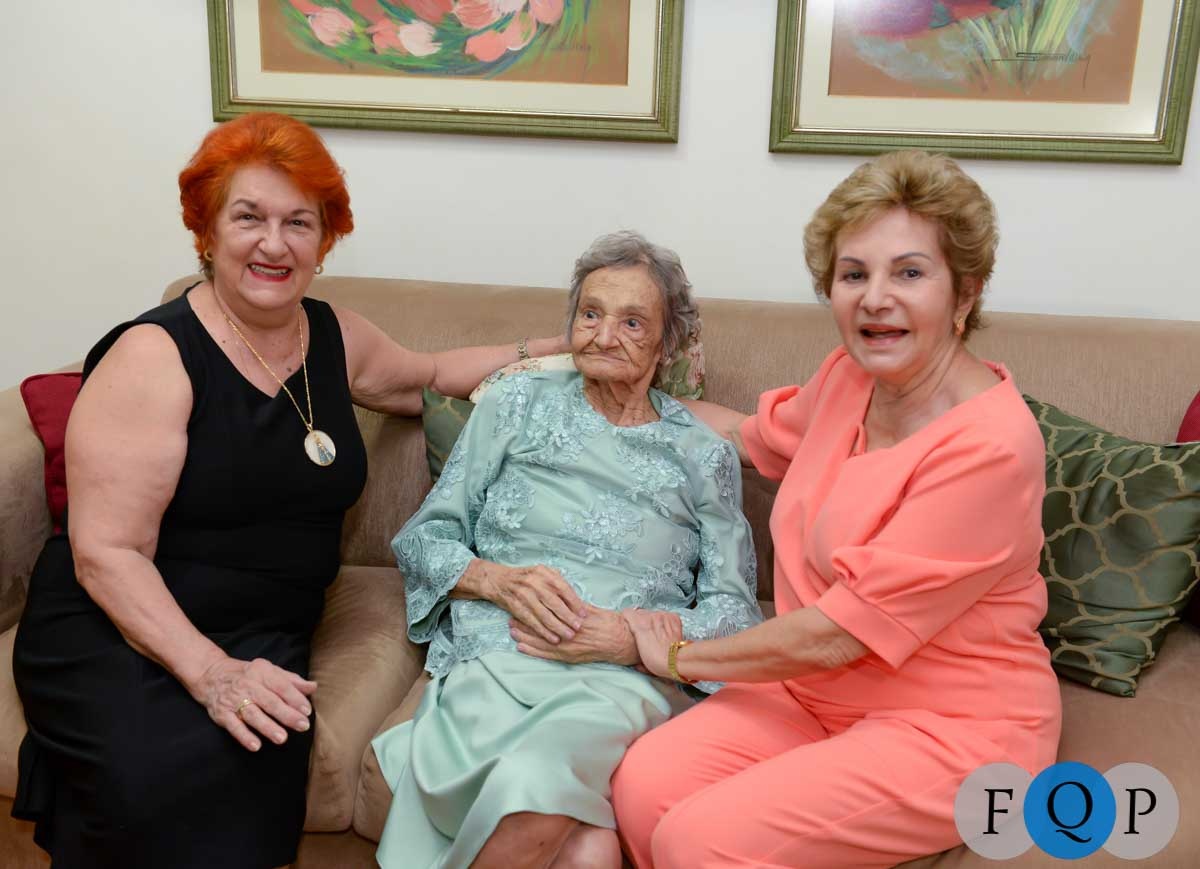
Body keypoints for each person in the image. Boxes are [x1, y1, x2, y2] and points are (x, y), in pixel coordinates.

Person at [11, 111, 567, 869]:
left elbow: (431, 377)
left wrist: (565, 347)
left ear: (324, 239)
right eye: (249, 217)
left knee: (256, 764)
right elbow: (106, 553)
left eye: (298, 222)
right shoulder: (153, 355)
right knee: (151, 783)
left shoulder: (334, 335)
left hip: (262, 627)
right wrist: (211, 672)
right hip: (126, 623)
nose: (274, 244)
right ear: (207, 230)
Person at [611, 150, 1063, 868]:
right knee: (642, 787)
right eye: (854, 274)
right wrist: (614, 395)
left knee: (698, 839)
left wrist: (677, 655)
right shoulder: (851, 377)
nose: (875, 298)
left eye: (909, 273)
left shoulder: (992, 447)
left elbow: (839, 635)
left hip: (953, 727)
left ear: (965, 294)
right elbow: (748, 438)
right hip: (817, 696)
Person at [372, 230, 763, 869]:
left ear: (667, 344)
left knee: (535, 781)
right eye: (590, 314)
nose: (604, 336)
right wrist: (497, 581)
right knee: (588, 853)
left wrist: (626, 638)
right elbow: (423, 539)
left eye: (632, 322)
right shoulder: (512, 404)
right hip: (500, 655)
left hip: (617, 680)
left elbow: (736, 618)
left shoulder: (703, 453)